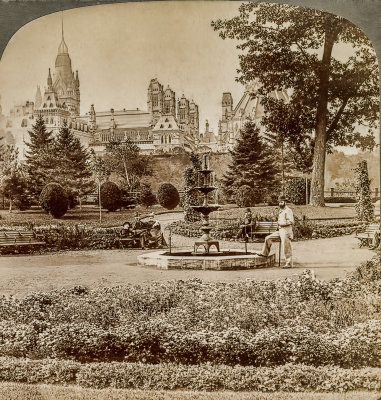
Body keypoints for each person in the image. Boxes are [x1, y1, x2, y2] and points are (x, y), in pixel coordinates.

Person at [257, 195, 294, 268]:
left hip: (286, 231)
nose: (280, 203)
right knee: (268, 238)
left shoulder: (288, 210)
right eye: (279, 202)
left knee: (286, 246)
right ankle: (264, 253)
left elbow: (291, 221)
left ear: (285, 202)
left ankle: (289, 263)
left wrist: (282, 223)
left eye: (282, 202)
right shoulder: (281, 211)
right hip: (280, 230)